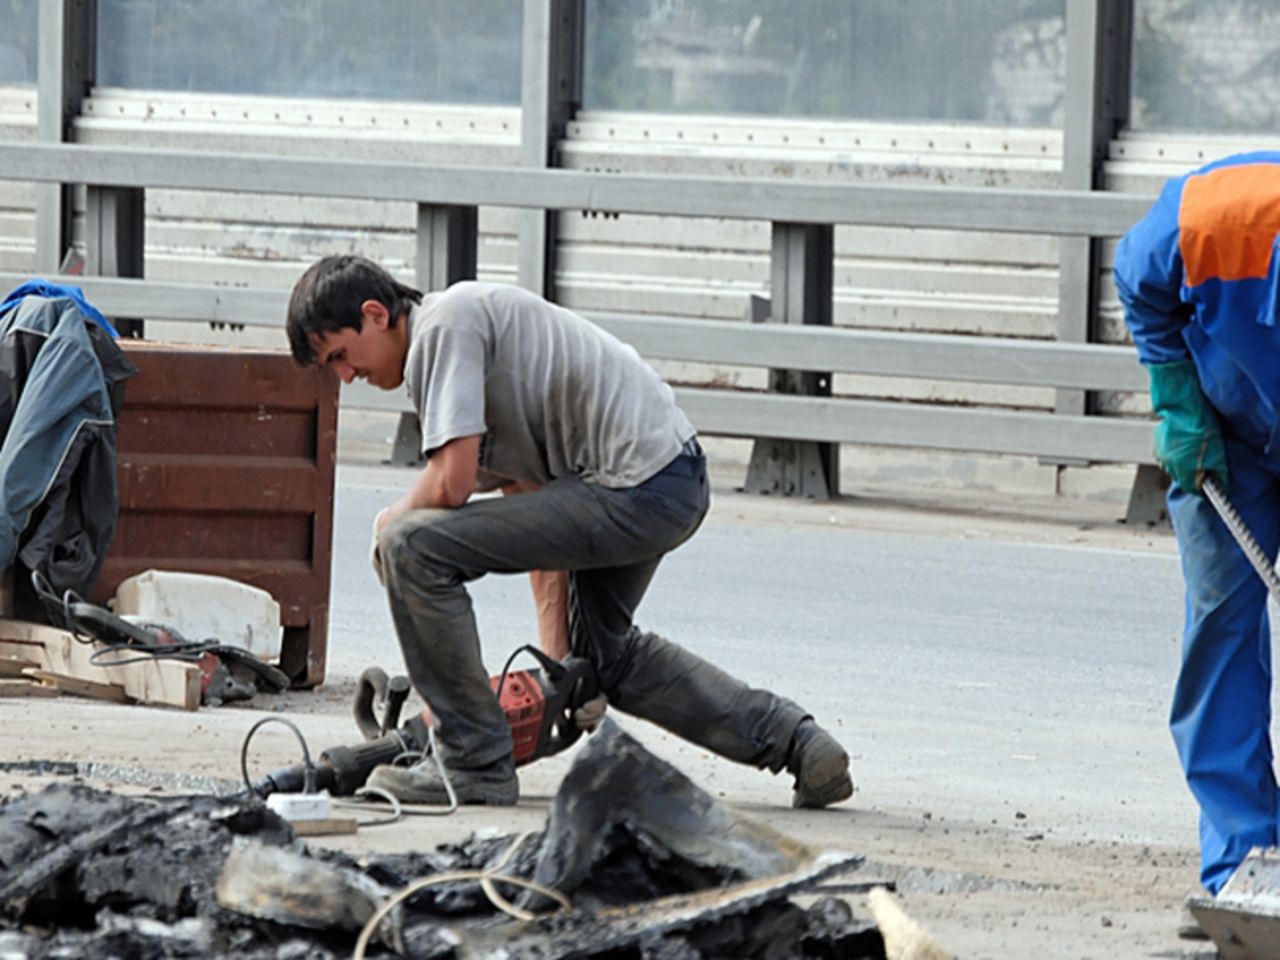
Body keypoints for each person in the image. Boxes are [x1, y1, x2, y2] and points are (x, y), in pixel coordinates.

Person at [285, 255, 853, 809]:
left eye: (340, 354)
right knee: (605, 660)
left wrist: (392, 520)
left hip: (632, 484)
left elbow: (451, 483)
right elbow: (529, 502)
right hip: (664, 478)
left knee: (410, 546)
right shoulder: (456, 345)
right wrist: (559, 667)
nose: (345, 376)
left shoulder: (444, 325)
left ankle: (471, 763)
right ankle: (800, 744)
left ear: (376, 315)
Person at [1115, 151, 1280, 904]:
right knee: (1222, 632)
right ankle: (1245, 867)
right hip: (1228, 436)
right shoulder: (1220, 215)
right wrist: (1174, 392)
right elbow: (1137, 275)